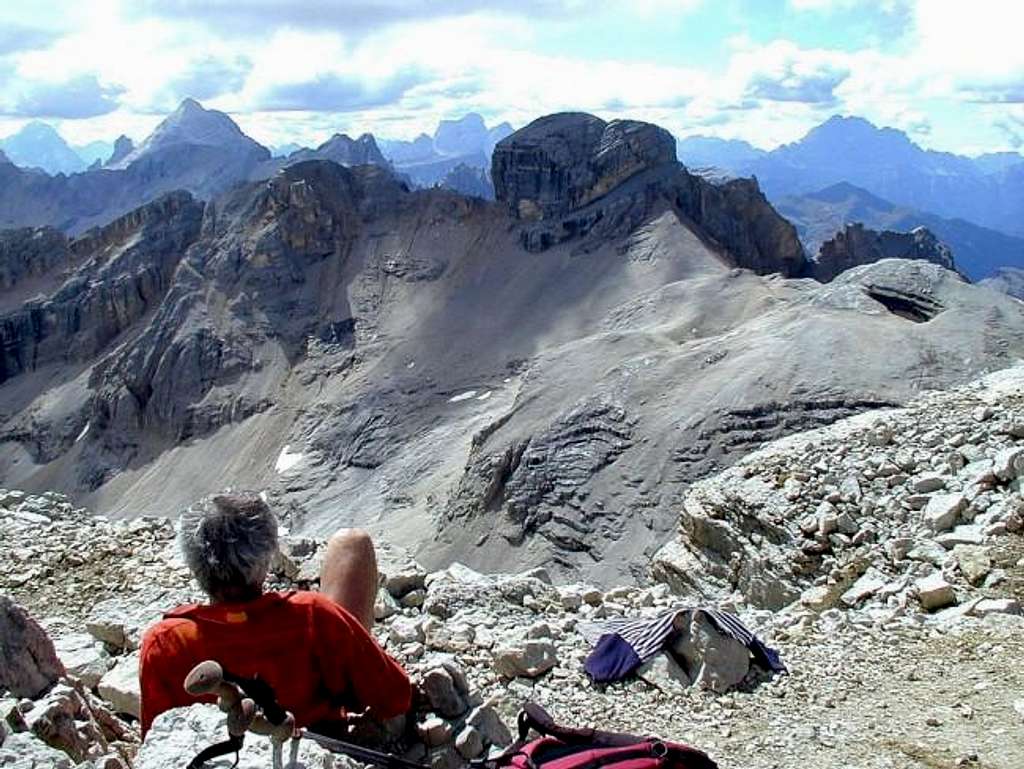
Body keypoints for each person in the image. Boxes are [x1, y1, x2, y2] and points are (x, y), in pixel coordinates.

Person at [139, 491, 411, 737]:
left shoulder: (164, 642)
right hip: (316, 745)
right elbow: (395, 697)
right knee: (351, 544)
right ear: (266, 557)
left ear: (193, 564)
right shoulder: (312, 614)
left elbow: (156, 738)